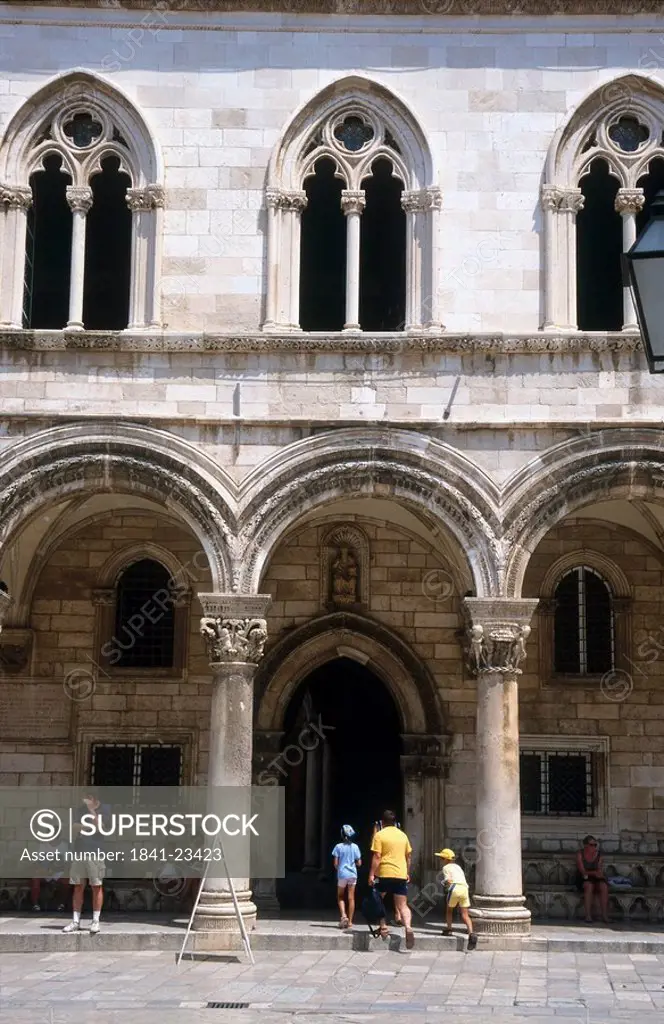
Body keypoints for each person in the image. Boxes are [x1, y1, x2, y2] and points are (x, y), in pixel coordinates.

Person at [63, 792, 109, 935]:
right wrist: (88, 827)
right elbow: (74, 827)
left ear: (94, 798)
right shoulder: (79, 810)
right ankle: (75, 921)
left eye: (88, 797)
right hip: (79, 851)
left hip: (95, 852)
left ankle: (95, 921)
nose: (85, 800)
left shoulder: (105, 809)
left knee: (96, 886)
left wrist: (91, 811)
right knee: (78, 886)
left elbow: (101, 827)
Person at [368, 810, 415, 949]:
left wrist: (371, 874)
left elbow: (377, 856)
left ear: (382, 822)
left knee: (378, 898)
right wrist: (407, 872)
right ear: (394, 822)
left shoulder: (379, 835)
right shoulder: (403, 836)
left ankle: (383, 927)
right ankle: (408, 927)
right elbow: (409, 857)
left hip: (384, 874)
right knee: (403, 905)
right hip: (400, 874)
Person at [435, 848, 477, 950]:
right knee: (465, 914)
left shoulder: (446, 868)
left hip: (454, 888)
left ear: (446, 859)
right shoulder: (458, 867)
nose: (440, 860)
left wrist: (444, 884)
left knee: (449, 910)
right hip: (464, 888)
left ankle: (449, 929)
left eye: (441, 858)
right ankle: (471, 933)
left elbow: (448, 880)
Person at [331, 824, 362, 928]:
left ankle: (343, 915)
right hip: (353, 874)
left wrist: (339, 868)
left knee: (340, 896)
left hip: (342, 874)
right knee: (351, 898)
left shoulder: (338, 847)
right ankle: (350, 922)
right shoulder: (355, 847)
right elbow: (359, 863)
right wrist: (354, 864)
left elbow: (335, 863)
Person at [576, 834, 609, 924]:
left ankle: (605, 915)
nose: (594, 847)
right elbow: (582, 871)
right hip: (583, 877)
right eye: (591, 845)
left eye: (595, 845)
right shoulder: (580, 854)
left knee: (604, 886)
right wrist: (594, 873)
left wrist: (597, 874)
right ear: (586, 845)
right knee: (588, 886)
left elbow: (599, 869)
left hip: (594, 876)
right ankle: (588, 915)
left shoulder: (599, 855)